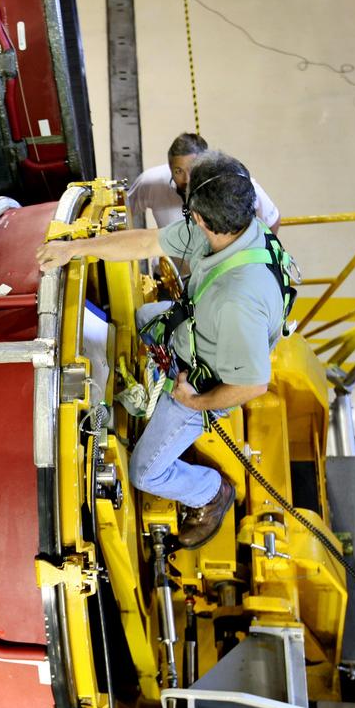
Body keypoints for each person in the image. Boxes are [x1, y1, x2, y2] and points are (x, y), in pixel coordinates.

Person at [37, 151, 294, 546]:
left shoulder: (237, 301)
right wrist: (77, 249)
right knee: (141, 322)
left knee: (146, 473)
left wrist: (195, 403)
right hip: (196, 327)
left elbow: (253, 385)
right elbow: (146, 243)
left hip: (204, 381)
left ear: (203, 219)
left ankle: (211, 492)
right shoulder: (231, 230)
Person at [127, 132, 280, 233]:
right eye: (178, 171)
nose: (187, 179)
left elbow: (271, 219)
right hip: (171, 275)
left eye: (192, 169)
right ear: (169, 168)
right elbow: (124, 210)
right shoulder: (151, 181)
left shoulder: (239, 185)